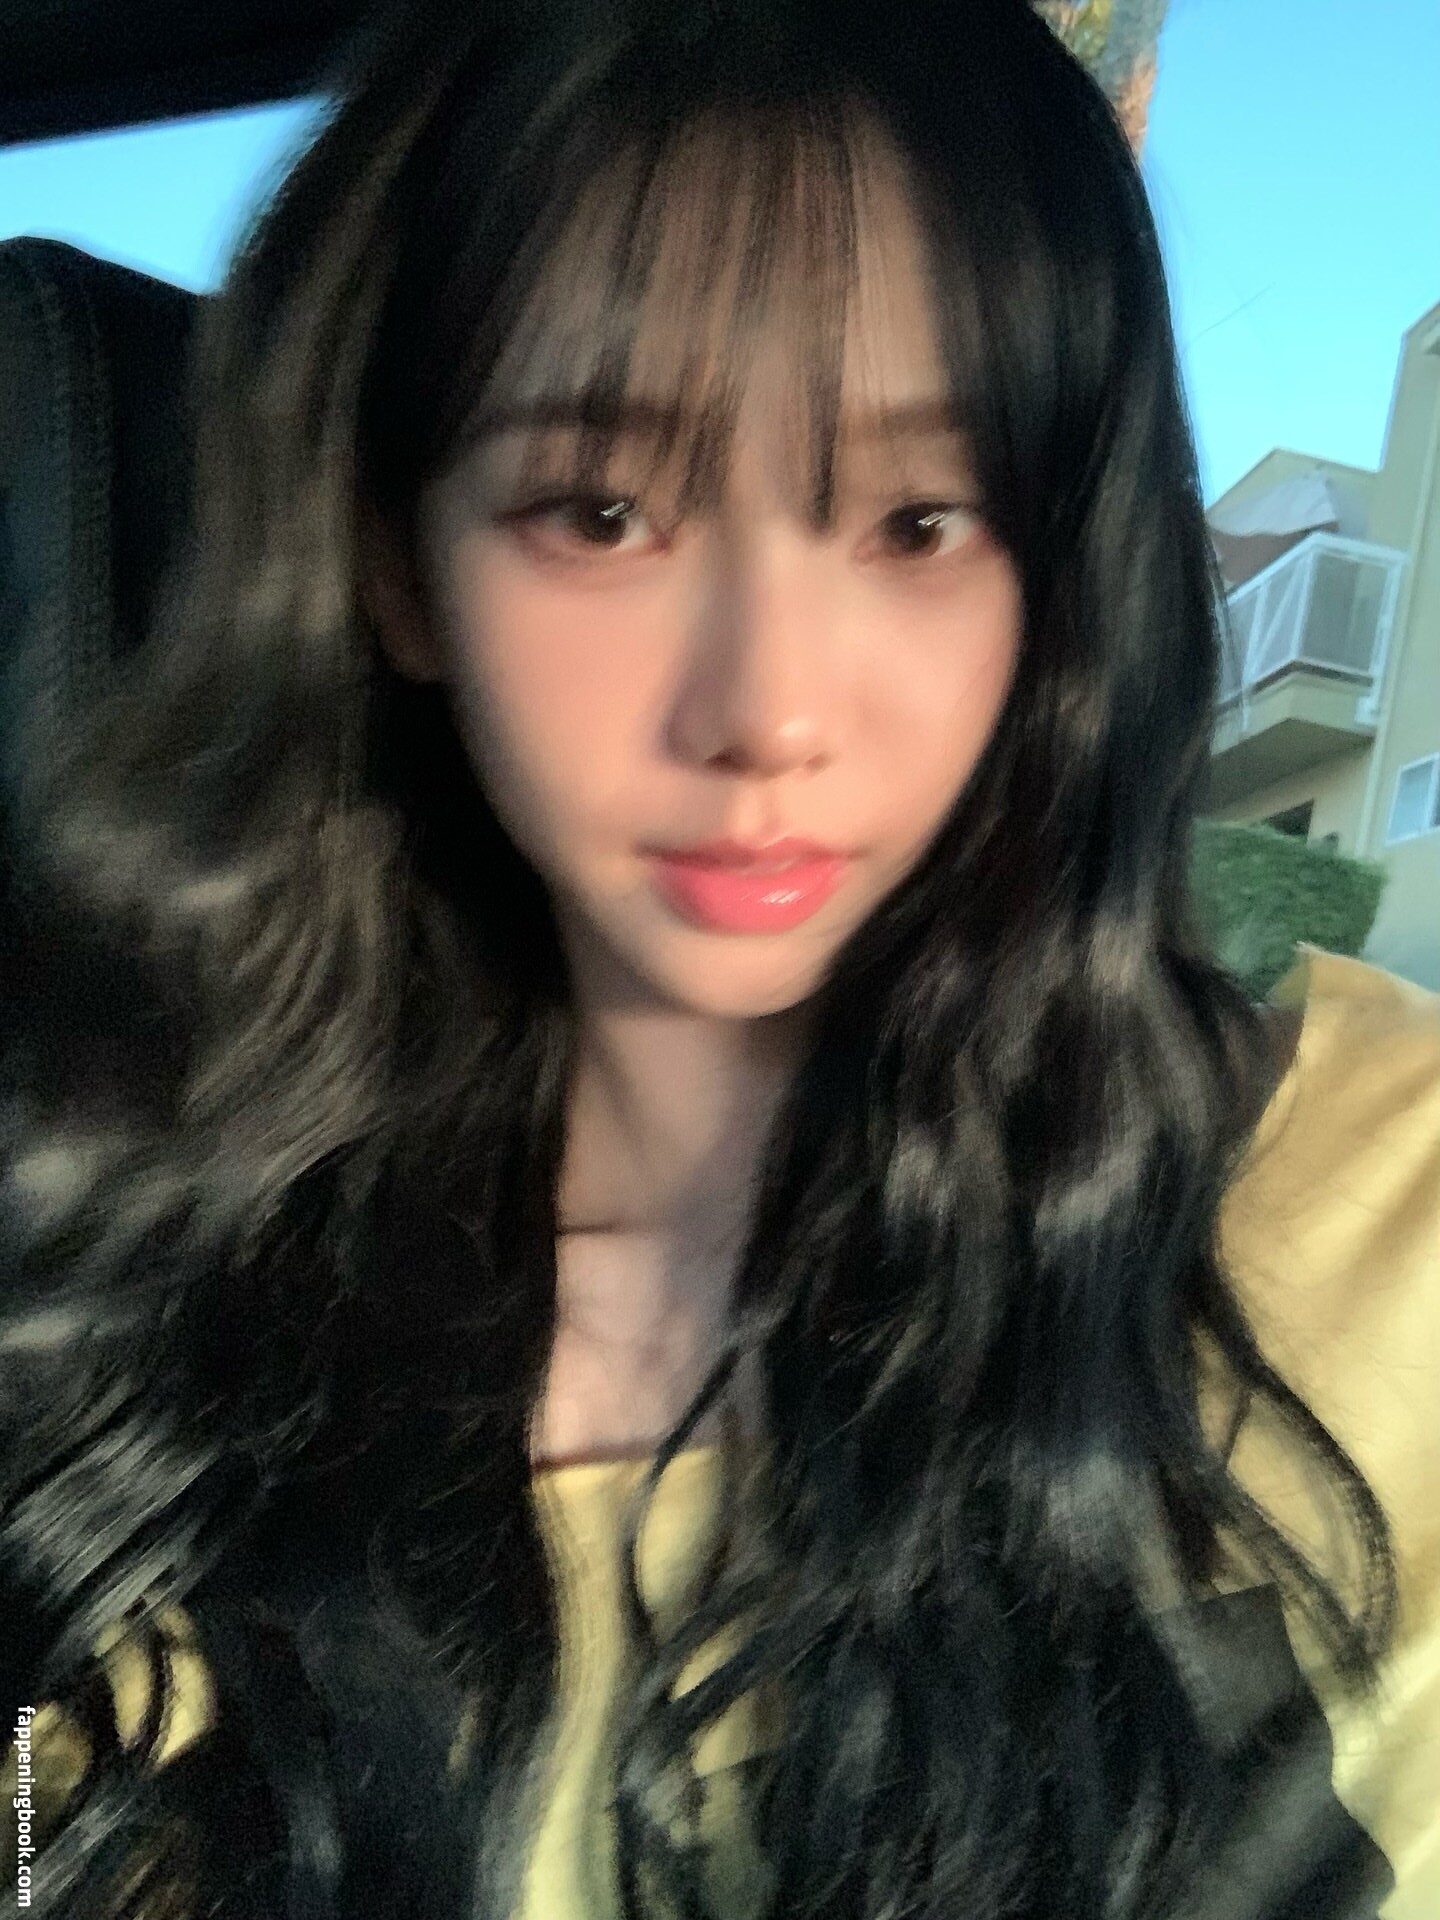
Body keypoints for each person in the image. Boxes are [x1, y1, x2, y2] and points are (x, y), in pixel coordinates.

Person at [2, 0, 1437, 1914]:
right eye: (602, 514)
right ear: (399, 567)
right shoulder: (128, 1312)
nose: (766, 710)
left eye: (920, 522)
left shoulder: (1393, 1200)